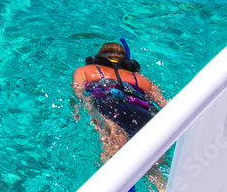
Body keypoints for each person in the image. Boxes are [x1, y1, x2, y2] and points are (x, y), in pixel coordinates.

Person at [72, 42, 168, 186]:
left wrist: (79, 111)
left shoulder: (85, 70)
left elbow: (78, 93)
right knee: (153, 168)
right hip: (144, 115)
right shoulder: (142, 79)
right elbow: (165, 105)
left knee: (113, 159)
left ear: (99, 56)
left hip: (111, 108)